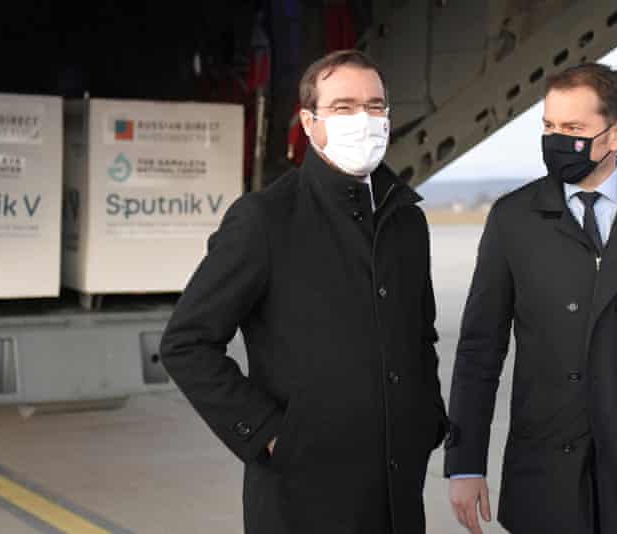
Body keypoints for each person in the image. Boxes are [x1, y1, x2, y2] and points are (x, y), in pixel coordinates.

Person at [160, 49, 449, 534]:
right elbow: (186, 343)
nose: (364, 119)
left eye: (375, 106)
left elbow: (419, 335)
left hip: (398, 490)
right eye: (344, 107)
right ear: (310, 123)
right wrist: (272, 435)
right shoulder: (265, 219)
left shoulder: (407, 221)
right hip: (304, 494)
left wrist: (427, 420)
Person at [444, 62, 617, 534]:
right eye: (549, 127)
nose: (557, 140)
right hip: (543, 472)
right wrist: (465, 463)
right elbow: (480, 349)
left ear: (616, 134)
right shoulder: (512, 219)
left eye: (573, 128)